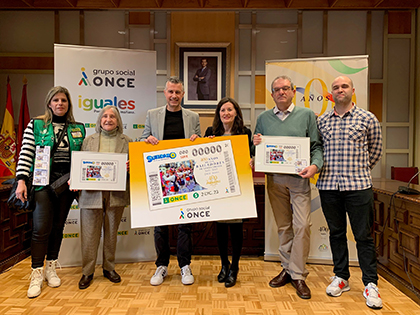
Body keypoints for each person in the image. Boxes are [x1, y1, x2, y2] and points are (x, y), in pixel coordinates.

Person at [252, 75, 323, 299]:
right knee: (284, 226)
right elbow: (257, 150)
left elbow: (316, 146)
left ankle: (298, 274)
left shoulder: (307, 115)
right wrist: (255, 149)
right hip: (274, 180)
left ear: (293, 91)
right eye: (277, 90)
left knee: (302, 225)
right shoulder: (263, 118)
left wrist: (315, 166)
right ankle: (288, 268)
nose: (281, 92)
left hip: (299, 179)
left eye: (285, 88)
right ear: (272, 94)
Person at [316, 76, 383, 309]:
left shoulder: (367, 118)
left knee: (363, 236)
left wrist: (359, 171)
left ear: (353, 90)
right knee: (336, 234)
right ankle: (341, 277)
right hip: (328, 187)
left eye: (344, 86)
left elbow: (375, 150)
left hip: (358, 187)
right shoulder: (322, 121)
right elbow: (316, 150)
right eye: (335, 87)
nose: (340, 90)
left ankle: (370, 284)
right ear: (331, 93)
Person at [15, 86, 86, 298]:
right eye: (56, 100)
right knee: (40, 229)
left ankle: (51, 267)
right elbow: (26, 152)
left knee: (58, 228)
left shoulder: (79, 128)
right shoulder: (36, 125)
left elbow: (83, 158)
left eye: (63, 100)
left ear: (68, 104)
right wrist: (20, 180)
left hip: (67, 184)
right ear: (49, 103)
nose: (60, 103)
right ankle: (36, 273)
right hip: (42, 183)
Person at [141, 76, 201, 286]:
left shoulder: (193, 117)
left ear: (183, 94)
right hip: (161, 179)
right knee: (161, 227)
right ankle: (162, 265)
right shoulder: (152, 115)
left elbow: (199, 147)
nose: (174, 96)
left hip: (185, 178)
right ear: (164, 93)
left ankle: (185, 265)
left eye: (178, 92)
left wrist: (197, 140)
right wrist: (146, 140)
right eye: (170, 92)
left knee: (185, 225)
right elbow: (141, 140)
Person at [77, 105, 132, 290]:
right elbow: (80, 167)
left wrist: (131, 168)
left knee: (111, 234)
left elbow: (135, 169)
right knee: (89, 233)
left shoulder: (128, 141)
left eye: (113, 117)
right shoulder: (88, 141)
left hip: (116, 194)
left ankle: (109, 268)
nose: (108, 119)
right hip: (91, 193)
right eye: (105, 116)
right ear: (99, 120)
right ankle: (87, 271)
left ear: (118, 121)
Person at [204, 97, 252, 288]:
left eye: (230, 110)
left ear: (236, 113)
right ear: (218, 114)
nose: (226, 113)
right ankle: (224, 264)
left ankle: (235, 267)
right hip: (216, 187)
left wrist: (252, 160)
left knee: (236, 228)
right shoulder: (211, 133)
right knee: (221, 228)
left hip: (238, 186)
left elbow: (252, 156)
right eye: (222, 110)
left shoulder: (245, 133)